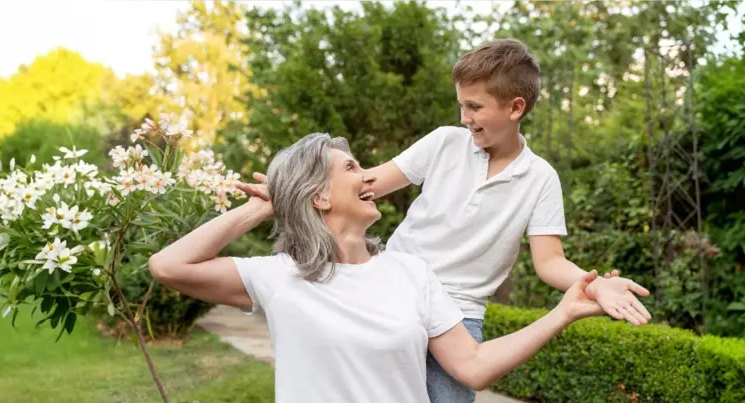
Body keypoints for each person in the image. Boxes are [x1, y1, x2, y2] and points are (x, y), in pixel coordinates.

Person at [236, 38, 653, 402]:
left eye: (474, 107)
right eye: (461, 105)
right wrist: (292, 188)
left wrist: (594, 283)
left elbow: (549, 262)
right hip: (393, 290)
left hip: (459, 311)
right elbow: (367, 183)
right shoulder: (444, 144)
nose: (464, 118)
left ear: (515, 107)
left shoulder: (541, 178)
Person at [150, 133, 608, 403]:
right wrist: (264, 208)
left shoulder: (411, 273)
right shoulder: (279, 276)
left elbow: (473, 367)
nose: (366, 176)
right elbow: (168, 265)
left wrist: (563, 311)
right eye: (351, 168)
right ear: (320, 197)